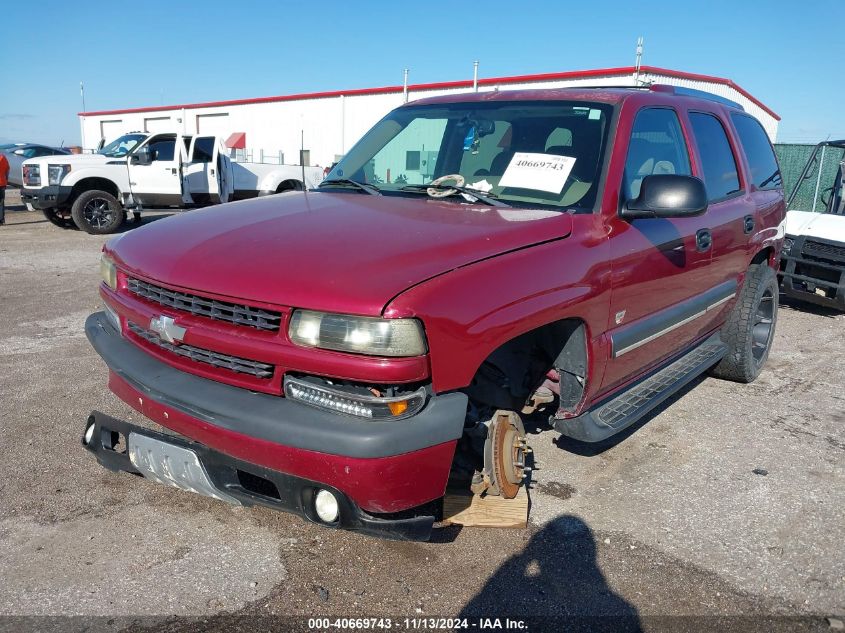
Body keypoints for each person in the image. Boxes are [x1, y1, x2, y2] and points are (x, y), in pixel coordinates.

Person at [0, 151, 9, 225]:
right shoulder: (3, 157)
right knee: (1, 202)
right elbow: (7, 170)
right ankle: (1, 220)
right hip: (2, 183)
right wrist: (6, 179)